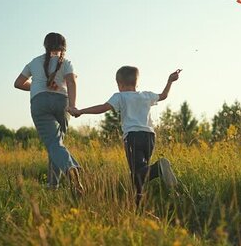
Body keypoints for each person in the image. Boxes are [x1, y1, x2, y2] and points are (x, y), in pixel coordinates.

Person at [73, 66, 180, 206]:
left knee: (137, 173)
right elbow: (163, 96)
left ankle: (159, 168)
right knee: (140, 173)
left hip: (133, 137)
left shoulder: (120, 96)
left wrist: (81, 111)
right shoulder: (146, 95)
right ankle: (138, 204)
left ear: (120, 84)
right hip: (149, 137)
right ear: (137, 82)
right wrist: (170, 81)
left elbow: (102, 108)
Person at [14, 32, 84, 195]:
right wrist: (72, 105)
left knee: (54, 145)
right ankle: (53, 185)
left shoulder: (34, 62)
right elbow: (72, 81)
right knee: (57, 144)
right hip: (62, 103)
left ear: (45, 46)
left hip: (40, 103)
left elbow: (18, 83)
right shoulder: (66, 62)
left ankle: (70, 168)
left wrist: (38, 86)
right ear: (64, 47)